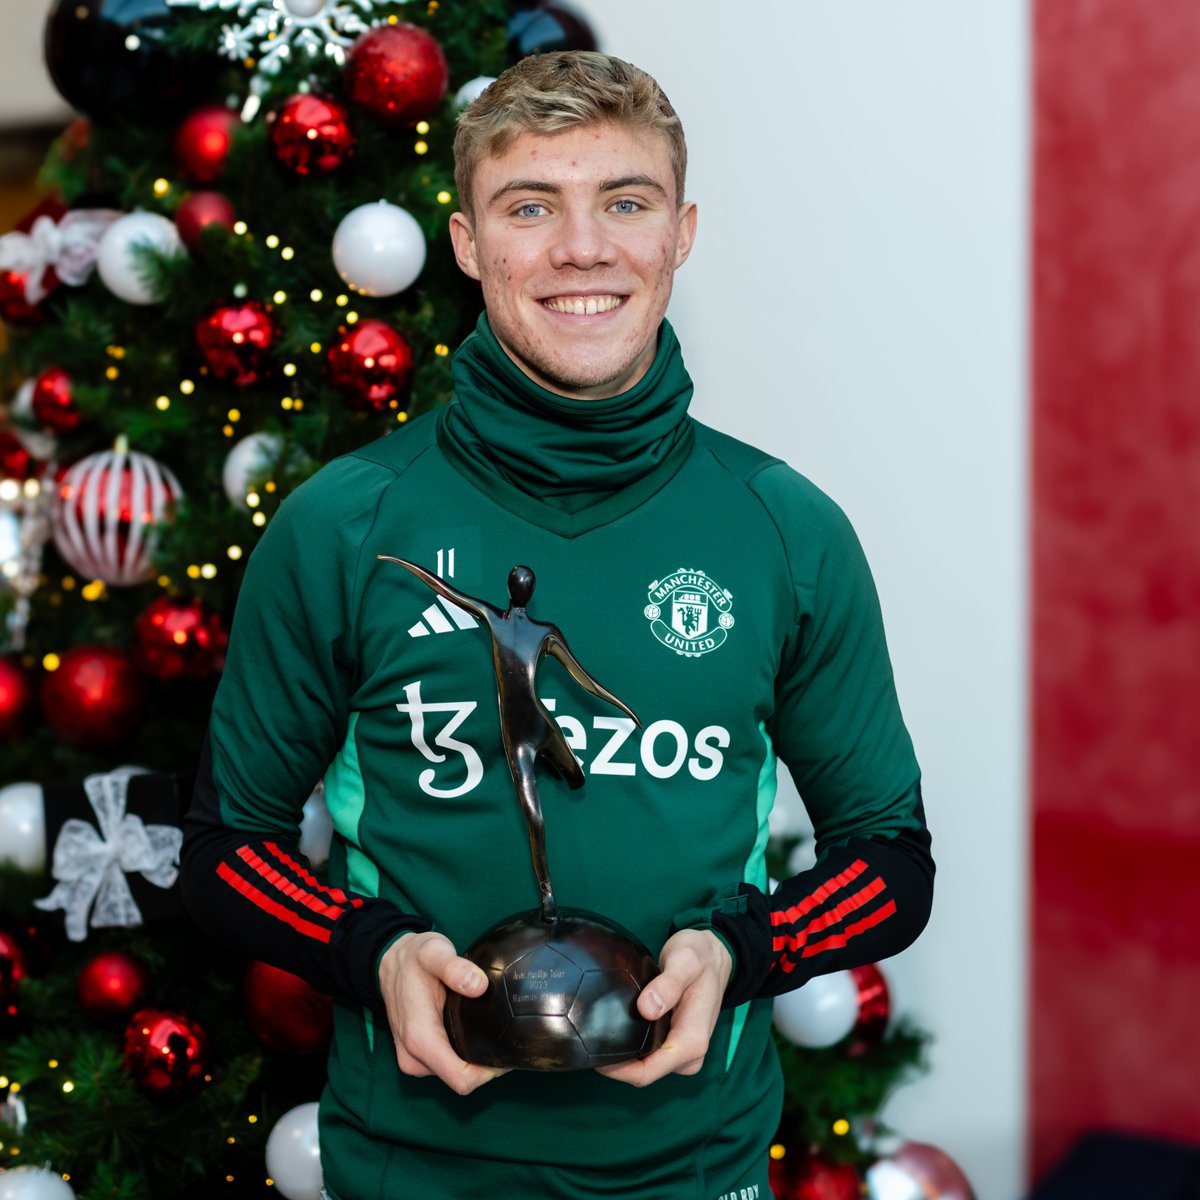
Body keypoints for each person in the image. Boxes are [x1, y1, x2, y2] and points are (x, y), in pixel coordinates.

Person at [181, 50, 934, 1200]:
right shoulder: (347, 523)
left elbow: (890, 860)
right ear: (470, 244)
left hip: (694, 1165)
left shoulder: (784, 530)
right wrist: (373, 952)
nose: (584, 248)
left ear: (680, 233)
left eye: (623, 203)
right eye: (530, 207)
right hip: (413, 1166)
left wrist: (743, 951)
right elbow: (225, 852)